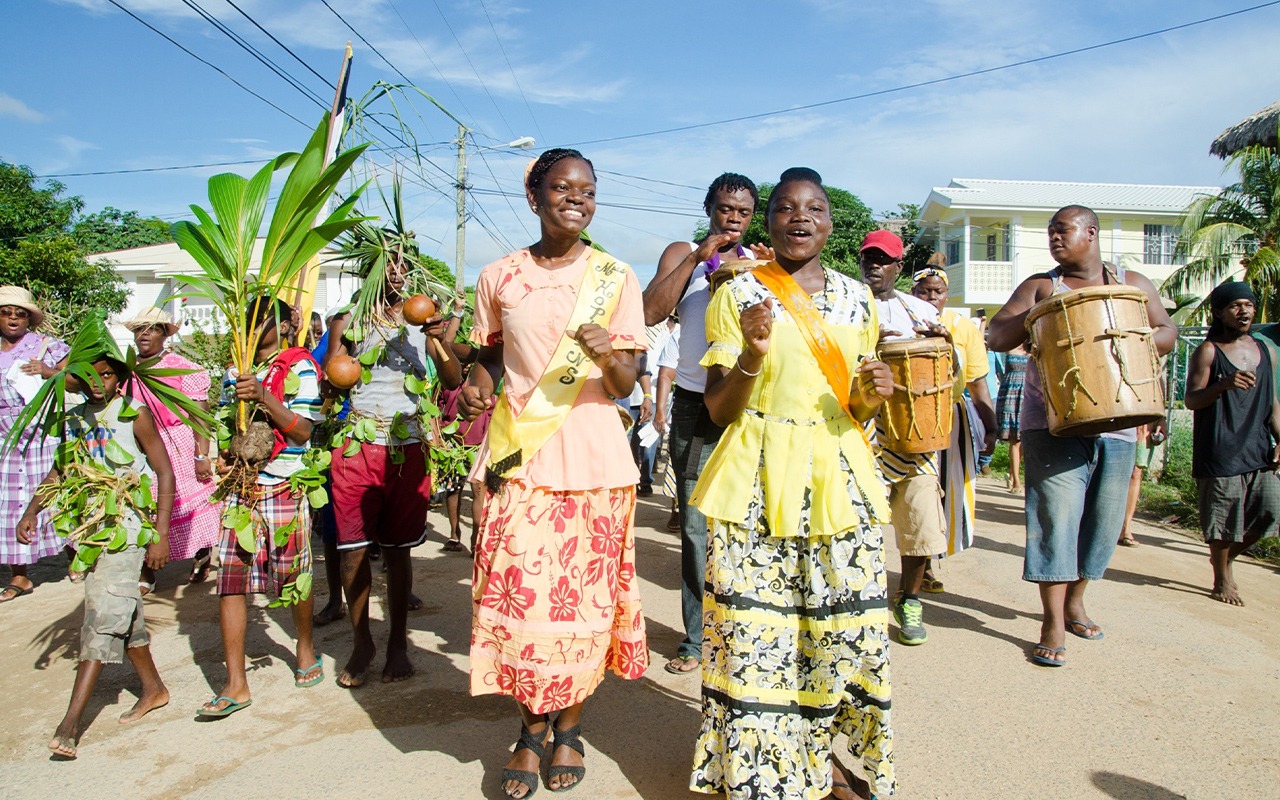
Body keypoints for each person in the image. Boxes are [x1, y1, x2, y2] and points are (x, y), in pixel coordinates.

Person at [688, 167, 895, 800]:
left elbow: (854, 407)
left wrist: (872, 396)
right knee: (760, 633)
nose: (799, 217)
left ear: (830, 222)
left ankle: (824, 756)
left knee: (840, 628)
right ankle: (758, 770)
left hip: (838, 473)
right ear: (768, 221)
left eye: (812, 208)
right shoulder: (737, 293)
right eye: (784, 208)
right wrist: (751, 351)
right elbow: (720, 409)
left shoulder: (860, 301)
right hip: (756, 476)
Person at [460, 148, 648, 798]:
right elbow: (483, 357)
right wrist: (475, 387)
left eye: (587, 190)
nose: (577, 199)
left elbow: (625, 384)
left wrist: (609, 356)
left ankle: (566, 728)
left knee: (587, 603)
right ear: (534, 193)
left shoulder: (615, 276)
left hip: (594, 457)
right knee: (518, 596)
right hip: (519, 454)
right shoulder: (499, 277)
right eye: (563, 188)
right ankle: (528, 727)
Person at [988, 205, 1176, 667]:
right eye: (1050, 232)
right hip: (1052, 419)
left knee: (1102, 523)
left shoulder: (1131, 284)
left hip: (1121, 418)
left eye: (1063, 230)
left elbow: (1167, 329)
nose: (1054, 238)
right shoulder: (1041, 285)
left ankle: (1077, 600)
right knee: (1056, 516)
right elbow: (995, 336)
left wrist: (1135, 338)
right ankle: (1052, 620)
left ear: (1090, 233)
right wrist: (1034, 315)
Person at [19, 355, 175, 758]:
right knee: (123, 613)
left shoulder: (132, 414)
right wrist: (32, 510)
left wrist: (159, 535)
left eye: (106, 374)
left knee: (102, 616)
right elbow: (61, 469)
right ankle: (155, 689)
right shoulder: (74, 419)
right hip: (91, 532)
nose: (98, 382)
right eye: (90, 375)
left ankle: (70, 723)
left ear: (119, 378)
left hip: (127, 528)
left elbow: (164, 471)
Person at [641, 172, 765, 675]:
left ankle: (744, 630)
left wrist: (758, 269)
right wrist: (699, 257)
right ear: (710, 208)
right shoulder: (683, 252)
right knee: (695, 529)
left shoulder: (760, 260)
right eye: (724, 209)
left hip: (744, 405)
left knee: (748, 523)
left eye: (742, 212)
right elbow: (651, 310)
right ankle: (697, 639)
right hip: (695, 404)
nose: (733, 219)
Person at [323, 257, 461, 687]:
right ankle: (362, 640)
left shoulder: (426, 316)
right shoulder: (349, 321)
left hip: (408, 448)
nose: (397, 274)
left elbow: (453, 378)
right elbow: (331, 377)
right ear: (372, 270)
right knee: (353, 550)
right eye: (389, 265)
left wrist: (437, 340)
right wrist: (337, 373)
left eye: (404, 266)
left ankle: (398, 641)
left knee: (399, 551)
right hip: (357, 446)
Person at [199, 298, 326, 717]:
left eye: (261, 322)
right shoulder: (233, 373)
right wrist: (219, 454)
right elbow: (222, 422)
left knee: (295, 576)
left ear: (283, 326)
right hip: (241, 490)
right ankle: (236, 683)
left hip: (284, 486)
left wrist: (264, 398)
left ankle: (305, 648)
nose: (254, 332)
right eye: (247, 324)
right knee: (231, 581)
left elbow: (304, 431)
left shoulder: (299, 367)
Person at [859, 229, 953, 646]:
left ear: (899, 267)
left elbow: (945, 362)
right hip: (861, 431)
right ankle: (858, 597)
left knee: (921, 521)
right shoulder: (846, 305)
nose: (875, 265)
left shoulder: (919, 310)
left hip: (915, 436)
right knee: (856, 521)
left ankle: (909, 598)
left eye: (884, 259)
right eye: (869, 258)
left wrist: (940, 343)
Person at [1183, 281, 1280, 606]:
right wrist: (1223, 384)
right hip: (1220, 448)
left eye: (1249, 305)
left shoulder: (1266, 351)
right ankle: (1222, 578)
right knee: (1222, 523)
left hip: (1258, 449)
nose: (1244, 311)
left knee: (1270, 514)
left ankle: (1223, 560)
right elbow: (1192, 400)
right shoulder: (1208, 351)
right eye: (1236, 306)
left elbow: (1273, 403)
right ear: (1220, 312)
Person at [124, 308, 221, 587]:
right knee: (144, 504)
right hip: (142, 445)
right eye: (139, 329)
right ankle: (146, 571)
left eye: (152, 329)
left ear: (164, 334)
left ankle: (201, 555)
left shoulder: (180, 367)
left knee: (190, 503)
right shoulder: (127, 370)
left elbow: (200, 414)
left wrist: (201, 454)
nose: (144, 335)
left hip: (177, 442)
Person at [910, 264, 998, 569]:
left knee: (948, 492)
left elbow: (977, 383)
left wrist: (991, 427)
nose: (932, 297)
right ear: (913, 292)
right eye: (924, 291)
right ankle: (918, 563)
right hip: (911, 418)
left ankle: (930, 563)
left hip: (951, 419)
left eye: (939, 291)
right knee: (916, 492)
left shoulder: (963, 327)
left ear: (947, 294)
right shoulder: (901, 320)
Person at [0, 286, 70, 602]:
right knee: (9, 500)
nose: (13, 318)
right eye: (6, 312)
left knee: (54, 493)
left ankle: (74, 558)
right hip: (4, 437)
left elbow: (78, 379)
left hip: (43, 432)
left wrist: (49, 371)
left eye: (20, 313)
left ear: (29, 318)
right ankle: (20, 575)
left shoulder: (46, 346)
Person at [1117, 422, 1165, 547]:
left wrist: (1160, 419)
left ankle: (1125, 528)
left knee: (1136, 471)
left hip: (1144, 421)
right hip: (1120, 418)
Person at [996, 342, 1030, 493]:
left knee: (1024, 439)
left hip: (1029, 394)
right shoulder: (1010, 343)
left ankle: (1011, 471)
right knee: (1015, 440)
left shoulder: (1035, 346)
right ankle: (1016, 480)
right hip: (1011, 394)